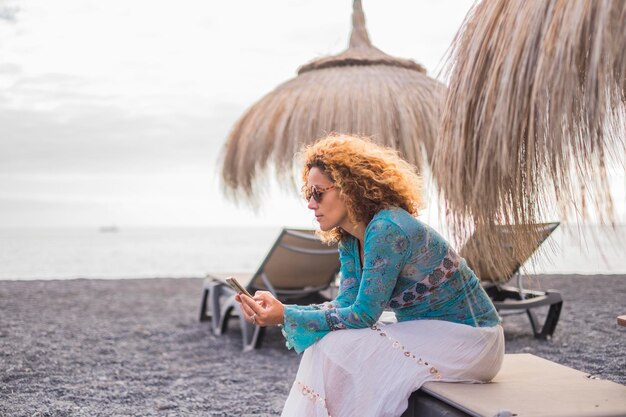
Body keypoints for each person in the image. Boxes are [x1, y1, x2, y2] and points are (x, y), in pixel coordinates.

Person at [235, 134, 504, 417]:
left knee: (338, 346)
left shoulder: (387, 229)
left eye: (318, 193)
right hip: (430, 333)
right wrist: (285, 309)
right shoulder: (351, 239)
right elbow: (345, 305)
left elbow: (363, 315)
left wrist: (286, 315)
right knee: (329, 343)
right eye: (308, 194)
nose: (311, 204)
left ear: (349, 189)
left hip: (472, 341)